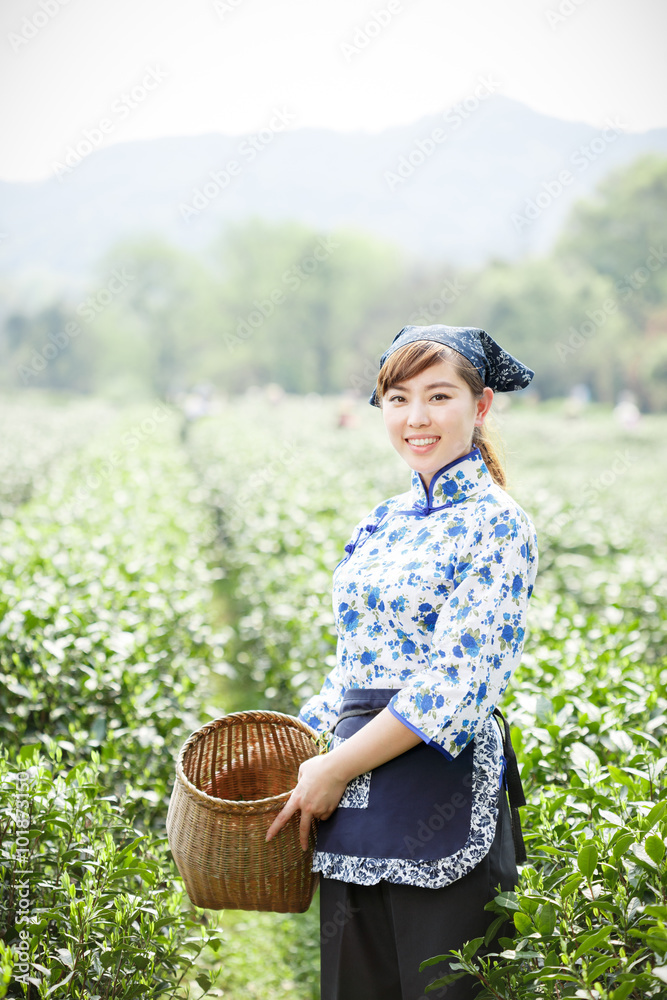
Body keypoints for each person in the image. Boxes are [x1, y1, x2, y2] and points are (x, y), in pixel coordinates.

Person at [266, 324, 538, 1000]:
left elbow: (456, 684)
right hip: (353, 805)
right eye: (396, 398)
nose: (415, 418)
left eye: (438, 396)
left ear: (479, 407)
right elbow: (352, 664)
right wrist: (295, 748)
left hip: (438, 799)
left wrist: (331, 766)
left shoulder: (498, 524)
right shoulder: (381, 520)